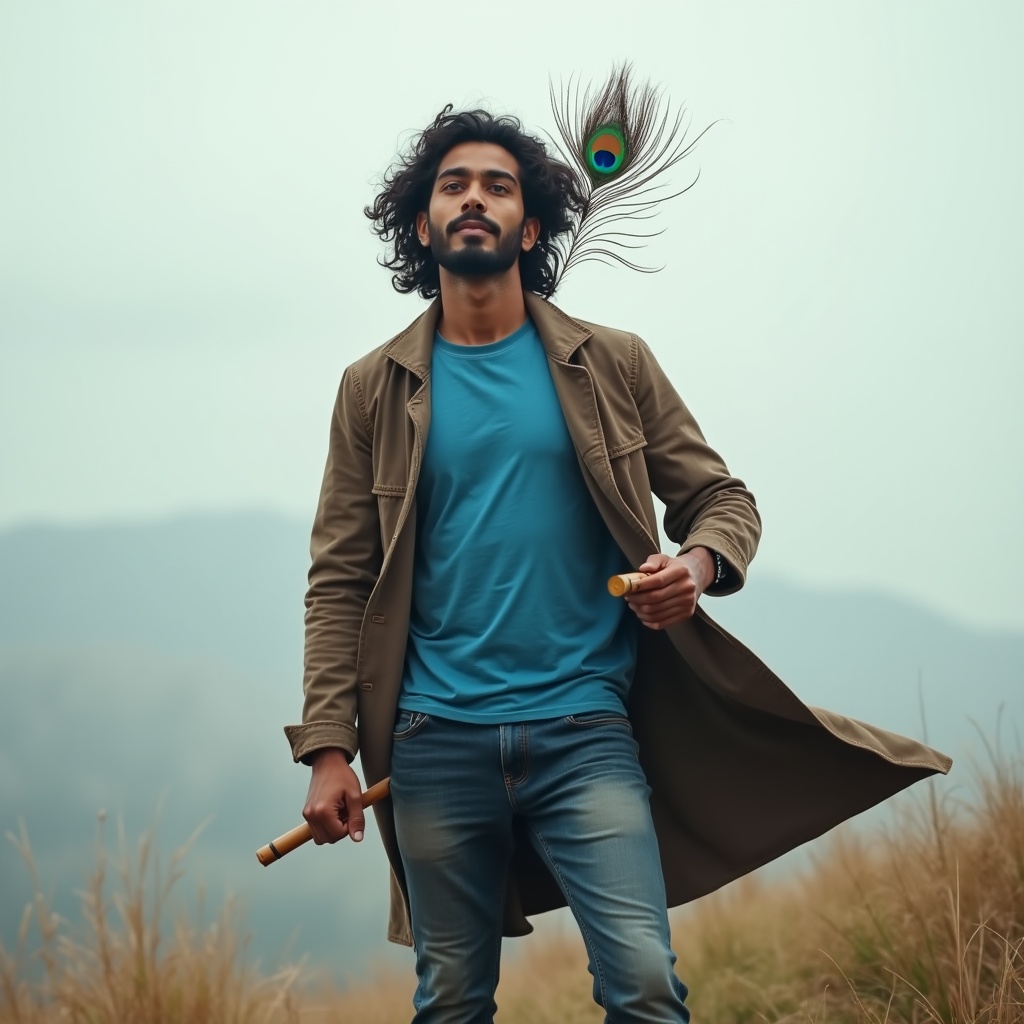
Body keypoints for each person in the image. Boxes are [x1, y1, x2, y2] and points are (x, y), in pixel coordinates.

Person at [285, 74, 951, 1024]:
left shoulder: (613, 362)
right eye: (453, 184)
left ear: (530, 228)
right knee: (452, 1001)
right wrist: (326, 748)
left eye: (500, 186)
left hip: (586, 732)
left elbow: (721, 499)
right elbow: (340, 579)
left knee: (642, 985)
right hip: (434, 745)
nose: (474, 196)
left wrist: (696, 567)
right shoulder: (373, 388)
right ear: (422, 225)